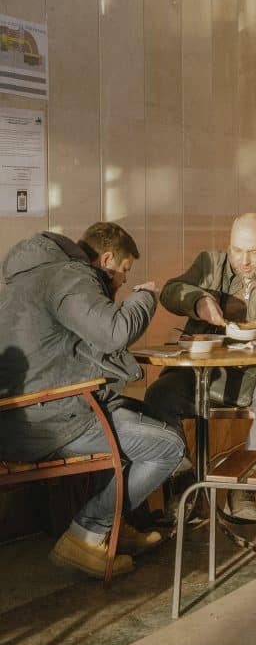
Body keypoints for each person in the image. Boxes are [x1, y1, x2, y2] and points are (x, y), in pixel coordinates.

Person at [0, 223, 185, 578]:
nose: (121, 284)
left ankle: (113, 527)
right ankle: (87, 533)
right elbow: (112, 333)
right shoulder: (68, 277)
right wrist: (144, 297)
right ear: (108, 259)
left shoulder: (30, 276)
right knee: (168, 445)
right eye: (124, 273)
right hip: (46, 421)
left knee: (142, 413)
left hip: (27, 417)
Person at [145, 213, 256, 522]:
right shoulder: (210, 264)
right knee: (159, 396)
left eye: (253, 252)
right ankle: (184, 485)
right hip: (204, 371)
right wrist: (197, 300)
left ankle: (245, 487)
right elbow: (171, 291)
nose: (243, 260)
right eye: (236, 250)